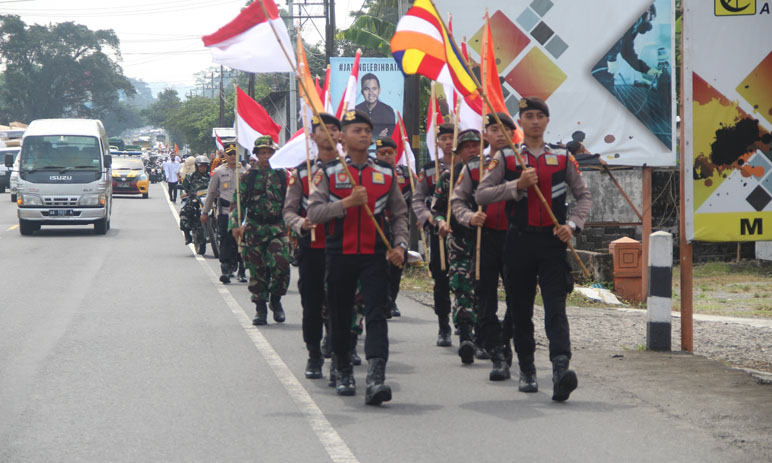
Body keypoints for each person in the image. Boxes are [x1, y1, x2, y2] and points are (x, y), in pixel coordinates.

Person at [476, 97, 591, 402]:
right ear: (521, 122)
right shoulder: (507, 159)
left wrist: (573, 226)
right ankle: (527, 368)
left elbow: (583, 197)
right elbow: (482, 194)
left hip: (552, 242)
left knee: (556, 308)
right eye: (529, 116)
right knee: (521, 308)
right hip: (519, 242)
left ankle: (560, 368)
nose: (535, 121)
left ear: (547, 121)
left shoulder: (563, 157)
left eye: (540, 116)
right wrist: (516, 187)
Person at [307, 110, 408, 405]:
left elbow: (400, 214)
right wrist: (347, 203)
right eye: (356, 130)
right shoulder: (328, 173)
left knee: (377, 313)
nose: (363, 135)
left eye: (367, 130)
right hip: (340, 252)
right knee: (339, 314)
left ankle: (377, 376)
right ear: (342, 137)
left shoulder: (386, 174)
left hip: (375, 255)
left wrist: (400, 245)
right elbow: (314, 213)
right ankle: (343, 368)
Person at [451, 112, 514, 381]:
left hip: (516, 239)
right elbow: (457, 202)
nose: (500, 134)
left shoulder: (521, 164)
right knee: (485, 300)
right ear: (485, 135)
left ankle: (506, 337)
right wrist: (469, 217)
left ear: (513, 134)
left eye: (505, 130)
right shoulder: (473, 167)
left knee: (517, 300)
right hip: (484, 239)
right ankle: (497, 354)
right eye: (493, 130)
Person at [283, 113, 342, 379]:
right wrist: (300, 223)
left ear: (341, 135)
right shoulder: (302, 172)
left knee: (342, 301)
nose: (329, 134)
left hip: (343, 246)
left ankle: (339, 347)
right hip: (312, 247)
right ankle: (314, 354)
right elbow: (289, 211)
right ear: (313, 136)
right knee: (312, 301)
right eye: (323, 130)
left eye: (333, 129)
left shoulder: (350, 170)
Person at [431, 129, 482, 365]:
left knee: (483, 288)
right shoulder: (449, 177)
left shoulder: (492, 173)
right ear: (459, 152)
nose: (472, 150)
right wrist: (440, 222)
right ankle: (466, 336)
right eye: (467, 147)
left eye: (476, 146)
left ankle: (484, 336)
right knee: (461, 286)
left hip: (486, 241)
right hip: (459, 240)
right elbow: (437, 208)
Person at [230, 136, 291, 326]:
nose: (266, 156)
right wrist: (235, 225)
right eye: (262, 153)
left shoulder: (282, 175)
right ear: (256, 155)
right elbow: (237, 203)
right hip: (255, 228)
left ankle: (275, 298)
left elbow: (291, 202)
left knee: (281, 265)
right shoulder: (248, 177)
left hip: (277, 227)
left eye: (269, 152)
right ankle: (260, 308)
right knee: (256, 270)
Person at [412, 123, 455, 346]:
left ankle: (468, 323)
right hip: (439, 232)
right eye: (444, 138)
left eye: (452, 137)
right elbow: (418, 199)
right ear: (437, 142)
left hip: (464, 231)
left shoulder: (470, 167)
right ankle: (444, 325)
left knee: (470, 278)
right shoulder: (429, 169)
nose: (448, 142)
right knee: (441, 278)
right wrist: (428, 217)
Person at [374, 136, 413, 318]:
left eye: (390, 153)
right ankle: (383, 299)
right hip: (379, 227)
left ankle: (392, 299)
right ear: (376, 154)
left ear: (396, 154)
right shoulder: (373, 173)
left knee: (397, 265)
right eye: (382, 153)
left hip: (398, 227)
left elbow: (417, 196)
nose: (387, 156)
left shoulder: (406, 175)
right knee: (381, 266)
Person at [202, 143, 247, 283]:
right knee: (226, 240)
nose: (233, 156)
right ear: (224, 155)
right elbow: (211, 193)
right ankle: (226, 269)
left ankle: (242, 269)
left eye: (235, 153)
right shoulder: (219, 172)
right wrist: (205, 211)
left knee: (242, 240)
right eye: (230, 153)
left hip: (242, 213)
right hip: (225, 212)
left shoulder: (246, 171)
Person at [592, 5, 659, 92]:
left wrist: (647, 70)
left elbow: (628, 53)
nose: (648, 22)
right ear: (648, 9)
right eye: (650, 19)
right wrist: (611, 59)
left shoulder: (634, 26)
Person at [180, 156, 212, 245]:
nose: (203, 168)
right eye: (201, 166)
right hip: (194, 199)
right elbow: (183, 187)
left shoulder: (211, 176)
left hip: (209, 199)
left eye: (205, 166)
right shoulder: (190, 176)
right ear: (197, 166)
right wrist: (184, 193)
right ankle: (187, 235)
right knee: (184, 213)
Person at [354, 73, 395, 138]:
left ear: (379, 90)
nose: (370, 93)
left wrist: (379, 141)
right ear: (362, 92)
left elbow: (390, 139)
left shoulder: (388, 111)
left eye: (374, 89)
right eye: (367, 89)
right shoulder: (355, 111)